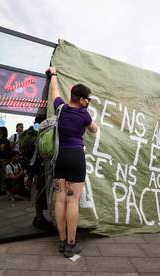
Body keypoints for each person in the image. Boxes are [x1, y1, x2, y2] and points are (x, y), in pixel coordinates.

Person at [48, 66, 98, 258]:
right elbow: (94, 129)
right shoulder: (85, 115)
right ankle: (71, 244)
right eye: (88, 99)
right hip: (76, 157)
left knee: (60, 199)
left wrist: (53, 74)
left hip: (59, 157)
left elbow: (54, 90)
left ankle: (61, 241)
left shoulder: (60, 107)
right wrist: (93, 125)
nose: (88, 102)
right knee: (72, 201)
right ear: (83, 99)